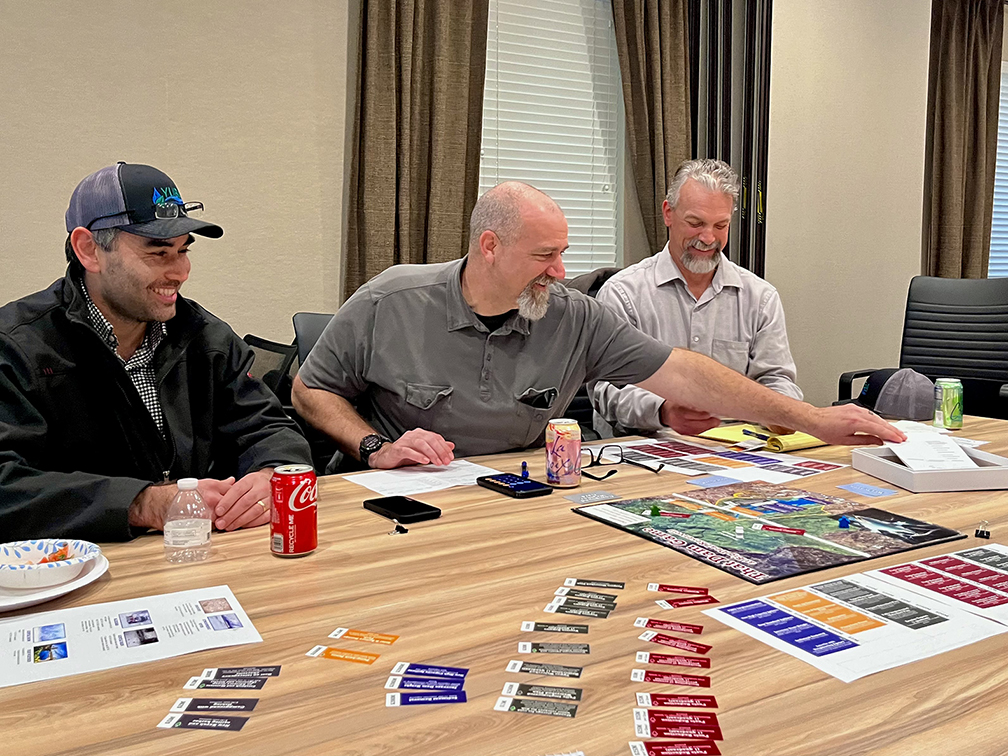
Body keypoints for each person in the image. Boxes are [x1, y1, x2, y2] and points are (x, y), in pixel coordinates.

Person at [292, 181, 903, 470]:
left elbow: (684, 373)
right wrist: (373, 446)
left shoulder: (574, 314)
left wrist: (814, 420)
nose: (561, 272)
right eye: (543, 257)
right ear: (488, 247)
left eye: (563, 253)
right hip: (408, 503)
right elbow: (309, 389)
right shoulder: (389, 299)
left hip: (522, 495)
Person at [0, 162, 312, 542]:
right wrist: (141, 503)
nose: (181, 271)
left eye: (184, 250)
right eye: (159, 253)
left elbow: (267, 426)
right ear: (89, 250)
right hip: (73, 570)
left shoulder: (204, 336)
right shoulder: (17, 347)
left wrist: (272, 473)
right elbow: (7, 485)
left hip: (197, 557)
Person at [592, 158, 801, 436]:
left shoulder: (760, 298)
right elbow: (606, 389)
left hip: (739, 451)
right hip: (648, 450)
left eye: (720, 226)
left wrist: (783, 413)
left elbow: (777, 380)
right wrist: (663, 410)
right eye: (696, 223)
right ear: (668, 213)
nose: (707, 238)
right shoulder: (624, 293)